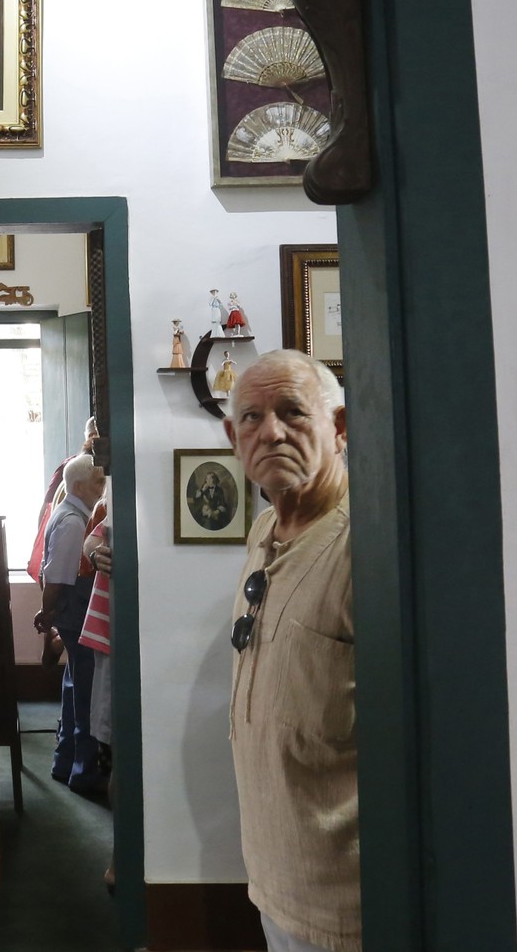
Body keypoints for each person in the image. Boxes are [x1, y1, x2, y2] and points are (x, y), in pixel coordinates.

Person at [224, 350, 358, 952]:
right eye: (251, 417)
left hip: (349, 897)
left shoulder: (368, 543)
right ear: (233, 437)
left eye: (292, 412)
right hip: (274, 876)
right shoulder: (263, 533)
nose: (270, 431)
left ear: (341, 426)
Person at [36, 452, 108, 792]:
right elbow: (59, 578)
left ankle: (66, 762)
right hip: (75, 615)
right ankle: (82, 773)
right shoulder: (74, 522)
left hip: (70, 615)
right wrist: (47, 613)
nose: (103, 485)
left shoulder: (72, 515)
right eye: (97, 481)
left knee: (74, 687)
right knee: (84, 695)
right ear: (78, 486)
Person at [81, 482, 116, 890]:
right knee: (113, 749)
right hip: (113, 634)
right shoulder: (115, 493)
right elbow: (96, 535)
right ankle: (120, 853)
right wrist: (94, 551)